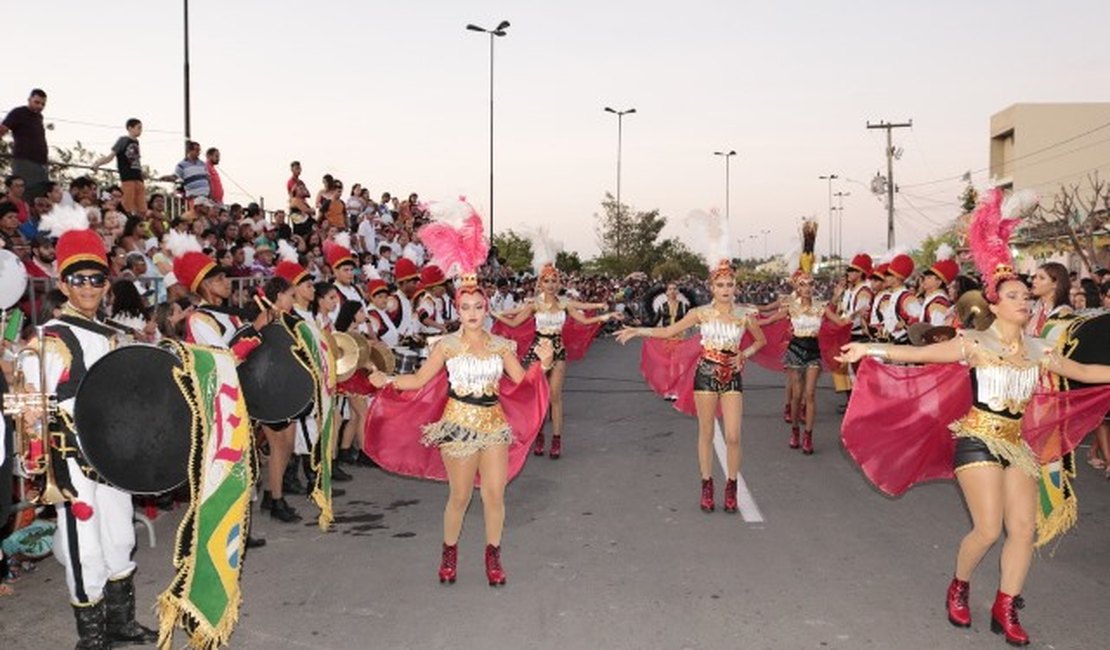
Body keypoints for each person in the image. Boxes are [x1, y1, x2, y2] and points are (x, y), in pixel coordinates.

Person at [837, 188, 1110, 647]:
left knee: (1023, 528)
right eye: (1015, 295)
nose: (1025, 301)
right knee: (988, 528)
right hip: (978, 439)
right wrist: (869, 347)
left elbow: (1084, 371)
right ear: (995, 303)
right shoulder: (973, 344)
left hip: (1018, 444)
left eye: (1027, 295)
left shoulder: (1041, 349)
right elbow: (919, 352)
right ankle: (960, 585)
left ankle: (1006, 606)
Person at [365, 201, 551, 586]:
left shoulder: (502, 346)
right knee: (461, 497)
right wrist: (386, 381)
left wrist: (542, 365)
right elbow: (417, 381)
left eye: (478, 306)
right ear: (457, 308)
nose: (472, 312)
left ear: (486, 308)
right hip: (457, 425)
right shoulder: (446, 346)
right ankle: (449, 551)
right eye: (465, 306)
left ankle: (493, 556)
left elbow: (520, 382)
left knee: (495, 496)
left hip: (494, 424)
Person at [23, 203, 159, 648]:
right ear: (62, 283)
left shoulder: (114, 335)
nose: (88, 287)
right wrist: (38, 465)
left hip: (113, 456)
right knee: (85, 545)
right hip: (71, 461)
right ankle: (93, 635)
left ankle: (121, 621)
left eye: (97, 278)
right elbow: (31, 409)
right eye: (78, 279)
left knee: (121, 536)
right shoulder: (46, 339)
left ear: (107, 284)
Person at [616, 210, 765, 513]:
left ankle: (731, 485)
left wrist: (744, 355)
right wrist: (637, 330)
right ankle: (707, 484)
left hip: (732, 375)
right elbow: (669, 331)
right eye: (721, 285)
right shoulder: (700, 314)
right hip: (706, 373)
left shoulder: (744, 315)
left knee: (734, 435)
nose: (726, 289)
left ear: (735, 286)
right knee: (706, 432)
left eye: (730, 285)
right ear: (712, 287)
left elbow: (761, 341)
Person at [494, 237, 619, 460]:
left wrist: (605, 314)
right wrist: (494, 314)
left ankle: (557, 440)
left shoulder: (564, 303)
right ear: (540, 283)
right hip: (538, 351)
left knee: (554, 396)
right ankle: (539, 435)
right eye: (547, 281)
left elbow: (584, 319)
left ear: (558, 283)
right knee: (538, 394)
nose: (551, 284)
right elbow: (514, 322)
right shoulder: (534, 304)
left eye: (554, 280)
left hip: (558, 350)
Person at [0, 89, 50, 195]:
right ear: (29, 100)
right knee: (25, 193)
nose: (40, 106)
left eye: (43, 104)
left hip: (42, 163)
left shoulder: (39, 117)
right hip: (24, 160)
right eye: (37, 102)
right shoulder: (19, 112)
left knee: (42, 195)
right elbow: (3, 129)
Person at [92, 119, 145, 215]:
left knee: (142, 208)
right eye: (138, 128)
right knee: (127, 206)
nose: (140, 130)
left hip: (138, 177)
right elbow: (110, 156)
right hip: (128, 177)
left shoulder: (136, 142)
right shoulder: (123, 140)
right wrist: (98, 163)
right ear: (130, 128)